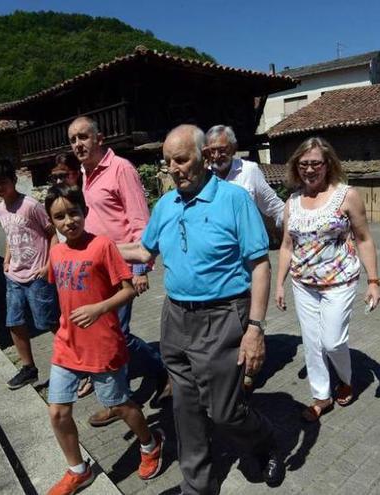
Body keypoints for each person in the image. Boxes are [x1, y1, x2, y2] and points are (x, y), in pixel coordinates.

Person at [119, 124, 284, 493]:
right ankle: (198, 487)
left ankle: (266, 440)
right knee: (186, 409)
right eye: (168, 163)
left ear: (203, 158)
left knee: (224, 412)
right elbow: (145, 252)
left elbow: (260, 266)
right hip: (175, 317)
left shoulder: (233, 200)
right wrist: (97, 246)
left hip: (223, 316)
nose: (175, 168)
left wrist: (255, 328)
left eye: (182, 159)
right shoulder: (165, 205)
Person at [44, 185, 164, 494]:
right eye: (59, 216)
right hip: (67, 343)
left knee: (121, 405)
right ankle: (78, 470)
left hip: (102, 345)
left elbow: (127, 289)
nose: (68, 220)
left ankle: (150, 444)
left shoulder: (103, 246)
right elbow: (63, 292)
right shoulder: (56, 252)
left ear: (84, 212)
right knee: (57, 412)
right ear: (52, 221)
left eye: (73, 212)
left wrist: (99, 308)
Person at [67, 116, 170, 426]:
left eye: (83, 137)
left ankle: (164, 370)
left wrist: (140, 269)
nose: (78, 144)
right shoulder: (86, 173)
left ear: (100, 139)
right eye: (73, 139)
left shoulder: (121, 168)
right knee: (105, 334)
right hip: (96, 267)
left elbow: (141, 222)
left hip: (122, 267)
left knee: (118, 336)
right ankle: (118, 396)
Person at [274, 137, 380, 422]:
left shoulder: (346, 195)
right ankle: (322, 396)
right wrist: (279, 284)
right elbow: (286, 246)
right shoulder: (292, 202)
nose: (310, 170)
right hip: (303, 283)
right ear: (297, 167)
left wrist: (374, 281)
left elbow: (364, 239)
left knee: (332, 341)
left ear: (328, 164)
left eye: (315, 164)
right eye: (304, 164)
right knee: (311, 342)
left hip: (340, 280)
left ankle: (345, 379)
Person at [0, 158, 59, 390]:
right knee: (14, 322)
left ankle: (73, 363)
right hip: (14, 276)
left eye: (3, 182)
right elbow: (11, 235)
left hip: (38, 274)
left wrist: (49, 264)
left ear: (14, 180)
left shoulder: (30, 205)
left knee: (48, 321)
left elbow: (52, 234)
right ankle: (28, 368)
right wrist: (7, 258)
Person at [204, 125, 285, 228]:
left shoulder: (249, 171)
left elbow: (276, 207)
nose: (216, 156)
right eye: (212, 151)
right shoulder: (203, 178)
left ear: (234, 149)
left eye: (222, 150)